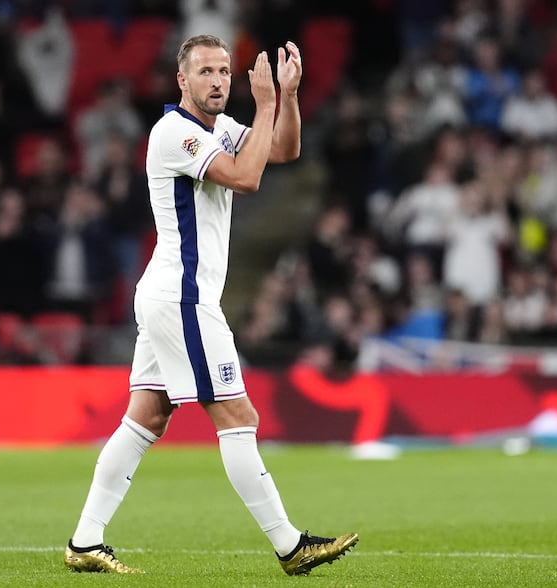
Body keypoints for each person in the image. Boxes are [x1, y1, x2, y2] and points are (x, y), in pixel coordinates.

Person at [63, 34, 358, 576]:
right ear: (183, 80)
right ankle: (292, 548)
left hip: (168, 293)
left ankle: (84, 542)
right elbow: (247, 178)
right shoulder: (173, 133)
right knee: (238, 415)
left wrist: (287, 97)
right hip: (183, 297)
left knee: (147, 416)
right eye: (206, 72)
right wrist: (265, 104)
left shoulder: (218, 128)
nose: (219, 80)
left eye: (224, 71)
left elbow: (285, 151)